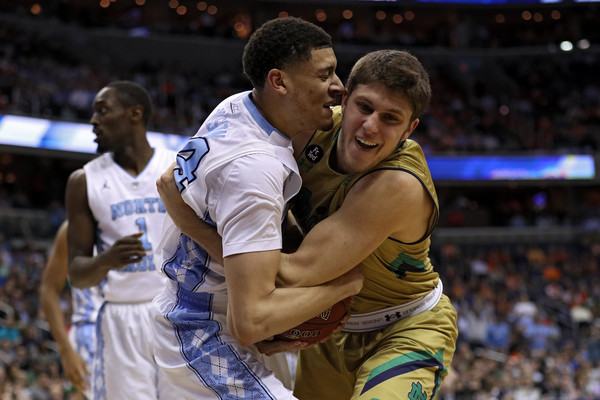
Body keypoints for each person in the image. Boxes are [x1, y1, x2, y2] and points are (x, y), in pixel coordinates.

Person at [159, 49, 459, 399]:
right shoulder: (309, 130)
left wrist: (192, 224)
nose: (371, 125)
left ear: (410, 129)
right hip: (332, 328)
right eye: (364, 107)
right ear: (345, 100)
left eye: (391, 118)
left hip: (405, 326)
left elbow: (291, 273)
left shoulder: (398, 184)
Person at [150, 16, 363, 400]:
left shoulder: (238, 105)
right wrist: (346, 284)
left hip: (200, 300)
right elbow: (251, 321)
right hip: (203, 326)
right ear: (279, 81)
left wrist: (190, 222)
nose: (339, 86)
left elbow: (168, 182)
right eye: (325, 74)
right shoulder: (255, 170)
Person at [65, 80, 179, 400]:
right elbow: (76, 274)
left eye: (103, 111)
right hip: (121, 318)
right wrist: (105, 260)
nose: (93, 121)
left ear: (134, 114)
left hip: (179, 311)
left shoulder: (177, 167)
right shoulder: (84, 180)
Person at [40, 220, 103, 399]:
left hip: (137, 324)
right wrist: (65, 349)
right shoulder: (72, 229)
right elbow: (49, 288)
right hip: (90, 330)